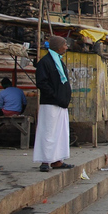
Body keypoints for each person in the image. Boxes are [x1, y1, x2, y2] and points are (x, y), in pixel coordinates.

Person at [34, 36, 73, 173]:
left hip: (61, 104)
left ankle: (57, 160)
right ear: (58, 46)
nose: (66, 47)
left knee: (60, 133)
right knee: (48, 132)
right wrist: (55, 95)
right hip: (50, 103)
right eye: (64, 44)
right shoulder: (45, 62)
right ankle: (45, 160)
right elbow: (42, 83)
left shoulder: (59, 62)